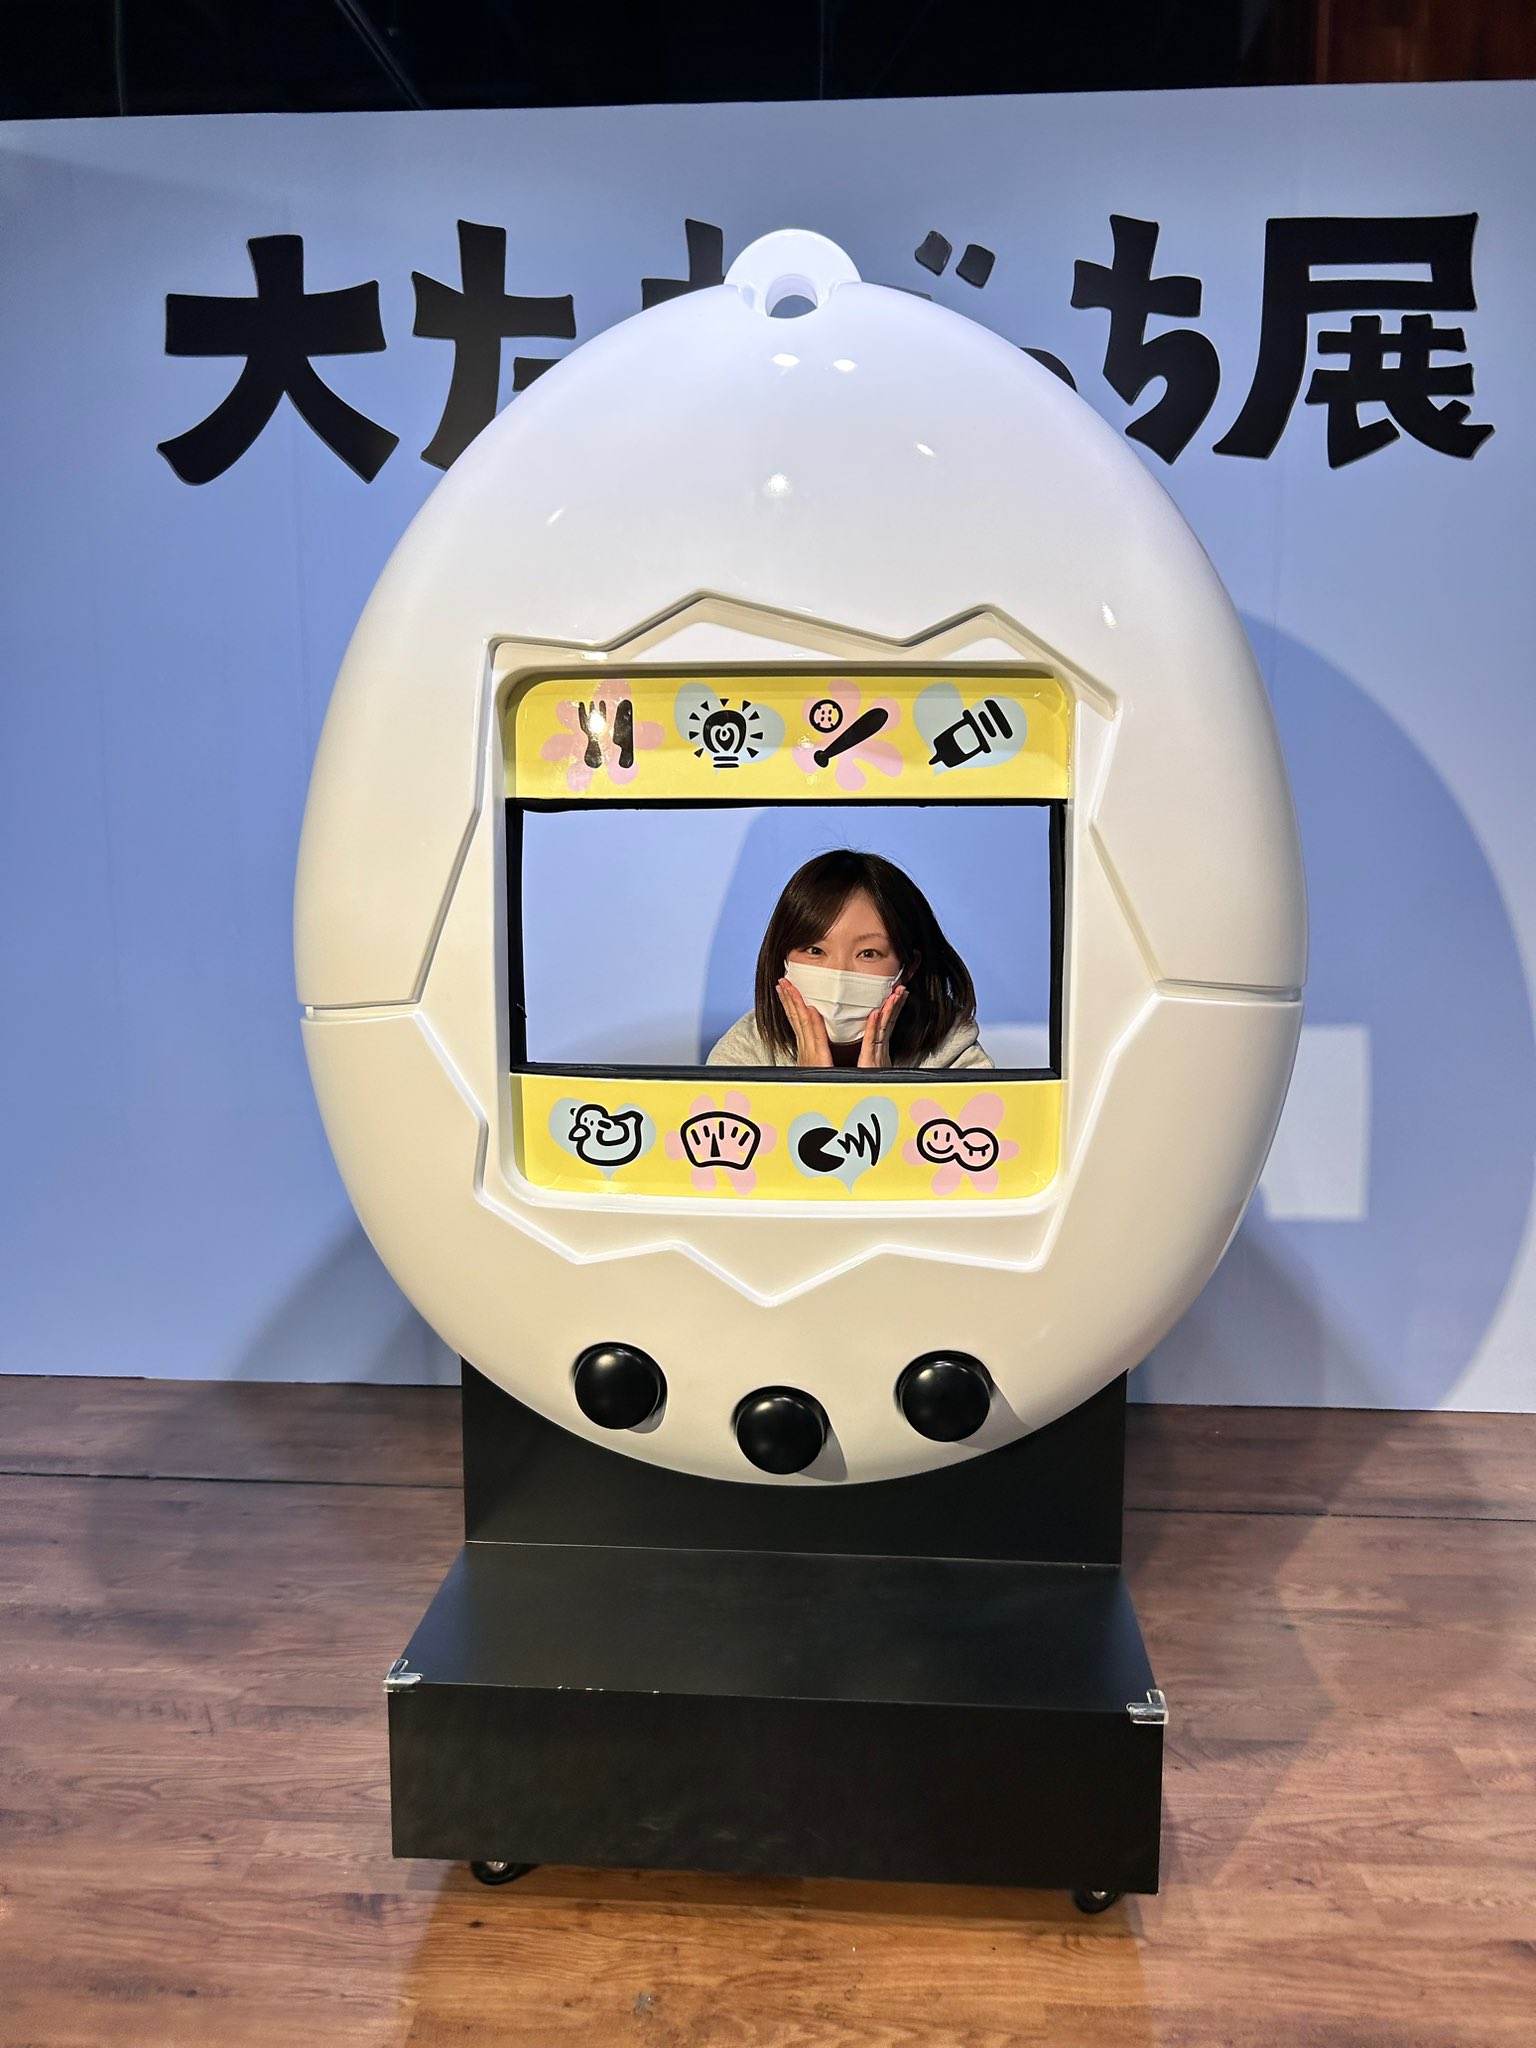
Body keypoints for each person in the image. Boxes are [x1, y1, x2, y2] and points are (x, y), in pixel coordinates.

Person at [707, 849, 993, 1070]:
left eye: (868, 953)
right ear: (782, 959)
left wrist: (882, 1093)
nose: (839, 975)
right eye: (815, 950)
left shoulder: (953, 1058)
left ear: (908, 968)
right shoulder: (744, 1056)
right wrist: (808, 1089)